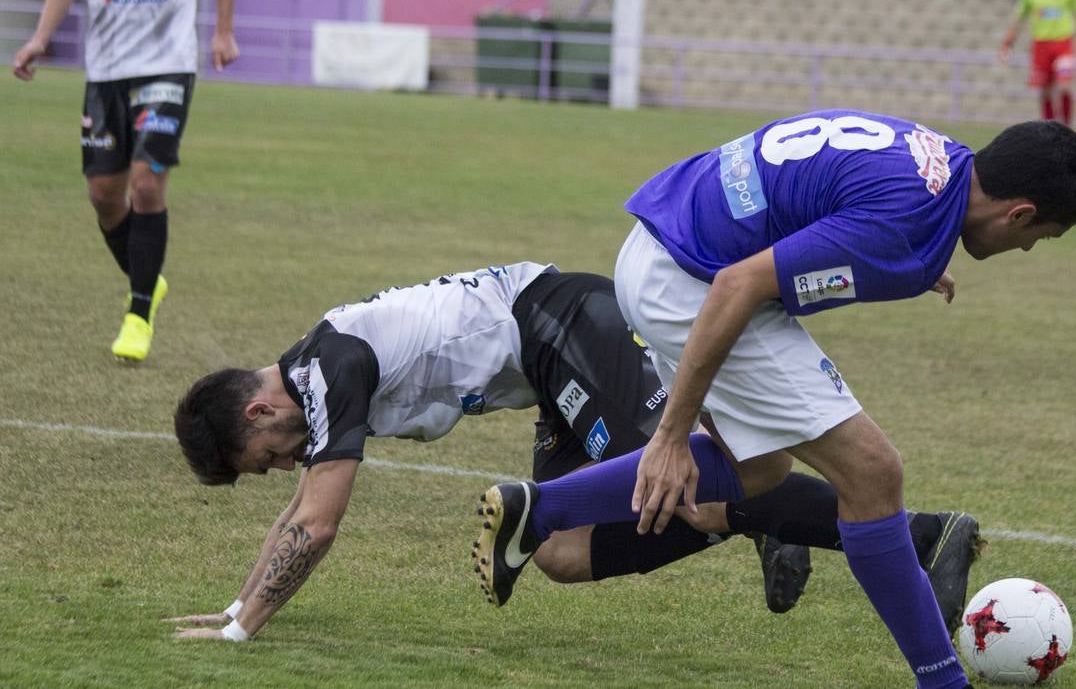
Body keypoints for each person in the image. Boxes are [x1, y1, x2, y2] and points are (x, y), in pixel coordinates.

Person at [473, 114, 1076, 689]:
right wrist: (670, 433)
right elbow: (739, 285)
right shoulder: (904, 225)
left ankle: (542, 508)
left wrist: (902, 252)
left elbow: (831, 194)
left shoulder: (937, 159)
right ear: (1019, 213)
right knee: (873, 473)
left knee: (760, 469)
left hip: (660, 240)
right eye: (1043, 235)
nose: (1029, 249)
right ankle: (943, 680)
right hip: (694, 282)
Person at [168, 264, 982, 642]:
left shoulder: (328, 371)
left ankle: (924, 534)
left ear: (259, 406)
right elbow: (297, 512)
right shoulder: (308, 380)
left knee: (686, 484)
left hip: (565, 327)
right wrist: (238, 609)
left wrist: (245, 634)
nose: (285, 463)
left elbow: (315, 525)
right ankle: (753, 519)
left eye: (268, 453)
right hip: (544, 375)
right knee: (559, 552)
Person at [10, 0, 239, 363]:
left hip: (167, 64)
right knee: (103, 194)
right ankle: (148, 277)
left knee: (146, 184)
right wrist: (41, 37)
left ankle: (138, 314)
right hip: (106, 68)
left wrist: (223, 30)